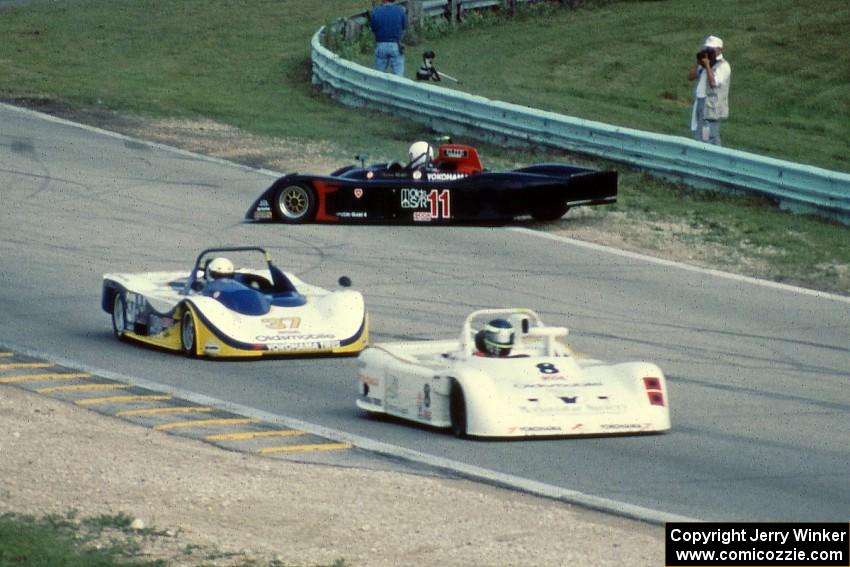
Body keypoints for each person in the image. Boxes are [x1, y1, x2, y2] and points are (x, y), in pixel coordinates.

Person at [688, 35, 731, 145]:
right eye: (707, 48)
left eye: (712, 49)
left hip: (711, 106)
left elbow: (713, 83)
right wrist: (698, 62)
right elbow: (691, 77)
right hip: (700, 102)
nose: (709, 51)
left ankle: (715, 157)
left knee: (709, 136)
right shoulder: (705, 63)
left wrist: (707, 66)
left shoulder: (723, 66)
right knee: (699, 134)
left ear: (719, 49)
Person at [370, 0, 407, 76]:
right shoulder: (400, 10)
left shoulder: (376, 11)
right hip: (395, 44)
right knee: (398, 72)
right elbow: (404, 29)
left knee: (378, 74)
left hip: (381, 44)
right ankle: (398, 85)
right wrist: (400, 40)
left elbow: (373, 29)